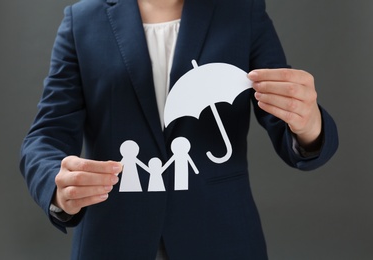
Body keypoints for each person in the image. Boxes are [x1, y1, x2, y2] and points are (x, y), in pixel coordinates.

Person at [19, 0, 339, 259]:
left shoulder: (242, 11)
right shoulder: (82, 21)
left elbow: (287, 129)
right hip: (113, 238)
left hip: (222, 236)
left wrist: (307, 121)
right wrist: (58, 186)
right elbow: (44, 137)